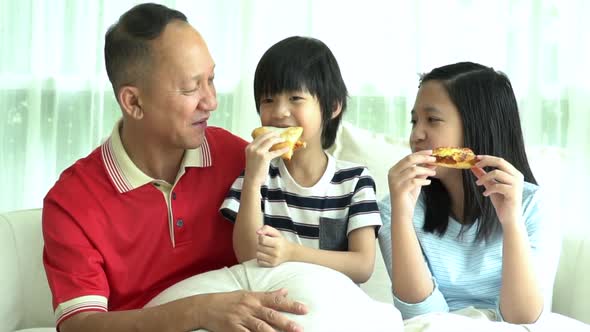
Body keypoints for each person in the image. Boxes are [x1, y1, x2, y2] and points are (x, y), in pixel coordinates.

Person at [42, 3, 308, 332]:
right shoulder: (71, 202)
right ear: (133, 102)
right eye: (191, 87)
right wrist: (196, 312)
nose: (211, 102)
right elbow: (79, 325)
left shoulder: (240, 159)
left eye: (211, 79)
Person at [378, 62, 559, 324]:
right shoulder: (395, 208)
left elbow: (523, 320)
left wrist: (511, 221)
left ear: (478, 126)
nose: (416, 134)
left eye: (433, 120)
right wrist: (401, 218)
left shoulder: (534, 205)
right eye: (414, 120)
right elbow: (420, 318)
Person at [219, 36, 382, 284]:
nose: (280, 112)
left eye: (295, 98)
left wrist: (292, 253)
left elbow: (362, 266)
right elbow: (247, 255)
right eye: (268, 100)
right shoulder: (257, 174)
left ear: (333, 106)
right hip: (270, 300)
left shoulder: (355, 180)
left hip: (333, 301)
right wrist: (252, 181)